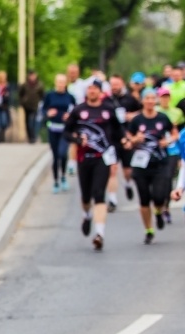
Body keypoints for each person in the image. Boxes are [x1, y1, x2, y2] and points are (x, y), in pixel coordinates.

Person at [63, 79, 124, 251]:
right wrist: (76, 140)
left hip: (102, 158)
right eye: (89, 88)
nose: (92, 91)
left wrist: (125, 140)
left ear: (100, 92)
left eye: (95, 89)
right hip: (84, 158)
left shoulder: (108, 110)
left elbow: (118, 131)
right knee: (86, 196)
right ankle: (86, 215)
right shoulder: (79, 110)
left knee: (99, 194)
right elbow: (67, 132)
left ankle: (99, 234)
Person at [126, 88, 178, 244]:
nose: (149, 101)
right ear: (142, 101)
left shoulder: (162, 118)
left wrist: (167, 141)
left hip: (159, 163)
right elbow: (128, 139)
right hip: (140, 165)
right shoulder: (136, 120)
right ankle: (148, 229)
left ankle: (158, 211)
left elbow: (174, 133)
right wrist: (136, 139)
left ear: (155, 100)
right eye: (146, 98)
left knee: (159, 196)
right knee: (144, 199)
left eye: (152, 98)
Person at [104, 73, 141, 209]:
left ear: (122, 84)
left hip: (127, 138)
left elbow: (142, 112)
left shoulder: (130, 99)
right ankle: (112, 200)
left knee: (127, 170)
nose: (114, 87)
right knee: (112, 169)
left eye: (117, 84)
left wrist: (132, 116)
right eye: (112, 84)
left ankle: (128, 184)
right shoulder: (106, 101)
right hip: (111, 140)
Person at [42, 74, 77, 193]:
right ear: (55, 83)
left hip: (65, 130)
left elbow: (76, 111)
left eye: (63, 82)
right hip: (52, 128)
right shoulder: (50, 95)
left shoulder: (70, 97)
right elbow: (43, 109)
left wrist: (70, 116)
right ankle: (56, 181)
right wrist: (48, 113)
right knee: (55, 156)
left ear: (66, 83)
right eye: (59, 82)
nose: (61, 84)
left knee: (62, 154)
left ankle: (63, 176)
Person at [156, 86, 184, 223]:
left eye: (167, 96)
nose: (165, 99)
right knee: (158, 181)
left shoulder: (177, 112)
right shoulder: (156, 112)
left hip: (173, 149)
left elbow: (175, 132)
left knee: (168, 177)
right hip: (156, 152)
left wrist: (169, 141)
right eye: (162, 97)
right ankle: (158, 205)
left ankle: (166, 207)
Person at [18, 69, 45, 143]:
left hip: (35, 106)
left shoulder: (39, 85)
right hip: (26, 106)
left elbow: (42, 95)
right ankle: (30, 136)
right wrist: (22, 102)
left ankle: (33, 136)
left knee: (32, 121)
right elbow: (20, 94)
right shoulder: (25, 85)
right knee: (27, 121)